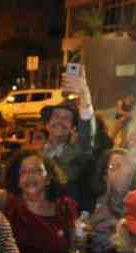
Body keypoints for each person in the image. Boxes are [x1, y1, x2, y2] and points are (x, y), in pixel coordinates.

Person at [40, 73, 96, 205]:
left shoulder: (77, 153)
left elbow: (86, 137)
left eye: (66, 119)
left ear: (72, 128)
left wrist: (85, 96)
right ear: (47, 125)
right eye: (56, 116)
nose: (60, 121)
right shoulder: (33, 154)